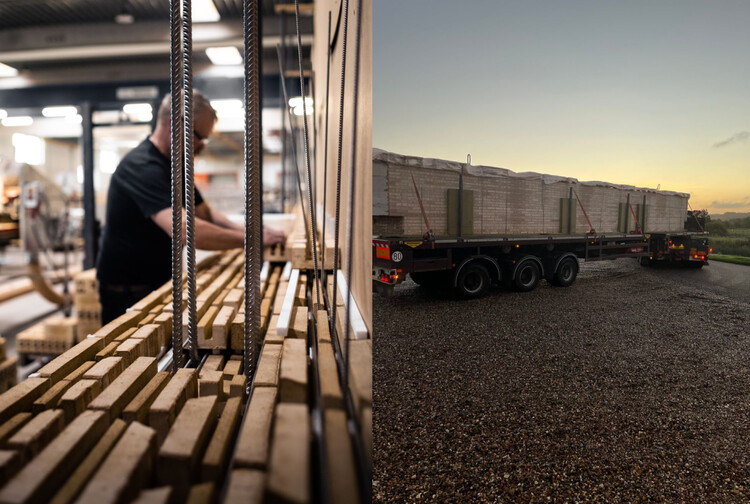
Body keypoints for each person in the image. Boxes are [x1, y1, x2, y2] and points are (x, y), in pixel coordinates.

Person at [96, 91, 284, 324]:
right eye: (198, 137)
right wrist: (252, 239)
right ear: (175, 124)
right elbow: (185, 229)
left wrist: (252, 232)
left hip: (158, 280)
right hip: (128, 292)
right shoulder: (142, 167)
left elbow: (205, 214)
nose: (202, 147)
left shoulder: (175, 166)